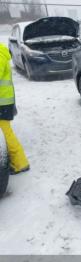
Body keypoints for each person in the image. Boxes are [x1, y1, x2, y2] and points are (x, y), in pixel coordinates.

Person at [0, 43, 30, 175]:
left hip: (2, 102)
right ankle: (18, 161)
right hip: (4, 101)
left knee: (5, 134)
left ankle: (20, 163)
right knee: (5, 133)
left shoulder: (0, 54)